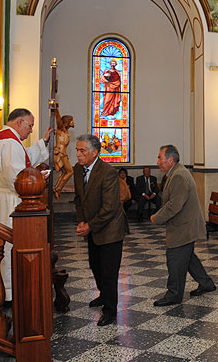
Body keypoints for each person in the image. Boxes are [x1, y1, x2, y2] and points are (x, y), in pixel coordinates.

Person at [0, 108, 51, 304]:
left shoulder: (6, 141)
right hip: (10, 201)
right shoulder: (9, 144)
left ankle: (8, 287)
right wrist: (39, 177)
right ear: (19, 123)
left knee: (5, 245)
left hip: (1, 198)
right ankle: (9, 291)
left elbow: (25, 159)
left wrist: (44, 141)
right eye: (30, 126)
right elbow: (16, 178)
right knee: (9, 245)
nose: (31, 130)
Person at [73, 134, 128, 326]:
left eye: (82, 151)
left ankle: (110, 310)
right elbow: (79, 199)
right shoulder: (78, 170)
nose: (78, 155)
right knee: (95, 265)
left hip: (110, 229)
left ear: (95, 152)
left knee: (109, 271)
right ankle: (104, 295)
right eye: (77, 151)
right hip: (93, 228)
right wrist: (81, 221)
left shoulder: (108, 172)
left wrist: (89, 225)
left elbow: (110, 207)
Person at [151, 145, 216, 306]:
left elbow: (174, 205)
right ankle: (206, 283)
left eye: (160, 158)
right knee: (187, 259)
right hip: (185, 225)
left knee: (175, 260)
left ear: (170, 159)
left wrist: (157, 218)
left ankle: (174, 294)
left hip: (183, 227)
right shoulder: (175, 173)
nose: (158, 161)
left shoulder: (178, 175)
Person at [53, 107, 75, 199]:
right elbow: (58, 120)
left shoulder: (66, 131)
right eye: (72, 120)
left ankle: (57, 188)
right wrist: (56, 109)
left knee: (65, 172)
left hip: (63, 154)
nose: (73, 122)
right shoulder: (61, 129)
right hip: (60, 154)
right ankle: (58, 188)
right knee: (70, 171)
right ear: (68, 121)